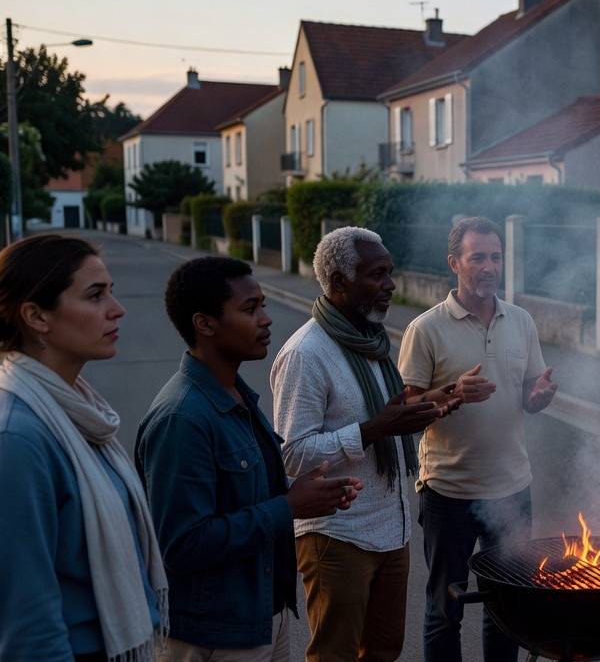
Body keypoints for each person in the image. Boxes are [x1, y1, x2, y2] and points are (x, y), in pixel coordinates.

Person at [137, 256, 365, 661]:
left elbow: (239, 498)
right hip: (216, 631)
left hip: (263, 616)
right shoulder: (182, 417)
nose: (266, 319)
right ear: (204, 324)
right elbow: (183, 544)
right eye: (249, 309)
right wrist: (288, 507)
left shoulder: (237, 394)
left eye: (263, 305)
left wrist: (301, 493)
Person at [0, 233, 167, 661]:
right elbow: (26, 632)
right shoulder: (11, 443)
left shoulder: (79, 415)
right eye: (95, 295)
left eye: (111, 292)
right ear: (36, 316)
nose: (117, 309)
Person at [271, 227, 450, 662]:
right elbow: (292, 455)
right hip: (338, 535)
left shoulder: (373, 341)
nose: (390, 284)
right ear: (339, 282)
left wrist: (434, 402)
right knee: (335, 654)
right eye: (377, 274)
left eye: (390, 272)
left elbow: (388, 415)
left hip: (391, 528)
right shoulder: (305, 354)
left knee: (384, 650)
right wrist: (371, 431)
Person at [397, 216, 556, 662]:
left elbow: (529, 393)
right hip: (449, 492)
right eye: (478, 258)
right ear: (454, 263)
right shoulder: (425, 329)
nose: (489, 267)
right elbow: (405, 411)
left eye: (496, 257)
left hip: (512, 489)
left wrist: (539, 398)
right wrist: (451, 395)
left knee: (506, 606)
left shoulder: (521, 320)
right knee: (444, 611)